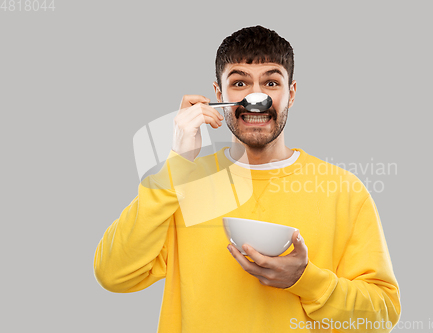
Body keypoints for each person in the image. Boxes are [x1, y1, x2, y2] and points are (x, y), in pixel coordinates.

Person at [94, 25, 401, 332]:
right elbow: (113, 274)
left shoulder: (343, 191)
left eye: (271, 82)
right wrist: (177, 164)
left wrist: (306, 281)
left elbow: (383, 315)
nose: (256, 95)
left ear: (290, 94)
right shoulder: (183, 183)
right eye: (240, 82)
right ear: (218, 95)